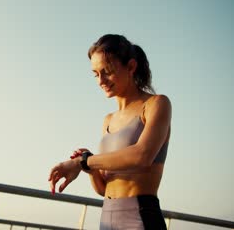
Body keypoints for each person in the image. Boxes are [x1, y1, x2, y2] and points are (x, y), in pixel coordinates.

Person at [48, 34, 171, 230]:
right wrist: (89, 168)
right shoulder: (108, 120)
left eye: (107, 72)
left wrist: (83, 162)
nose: (101, 81)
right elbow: (104, 188)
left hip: (140, 218)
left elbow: (142, 155)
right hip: (107, 219)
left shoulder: (156, 104)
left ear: (130, 67)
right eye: (96, 74)